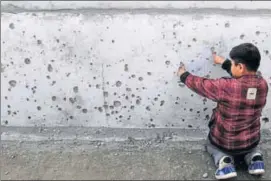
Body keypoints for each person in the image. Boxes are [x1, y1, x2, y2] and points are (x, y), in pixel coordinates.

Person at [177, 43, 268, 180]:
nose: (231, 66)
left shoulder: (225, 86)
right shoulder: (263, 84)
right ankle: (255, 159)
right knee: (252, 148)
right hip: (251, 142)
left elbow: (201, 85)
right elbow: (243, 80)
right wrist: (224, 62)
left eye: (232, 64)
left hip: (225, 143)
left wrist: (183, 75)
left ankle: (224, 161)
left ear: (240, 66)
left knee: (210, 145)